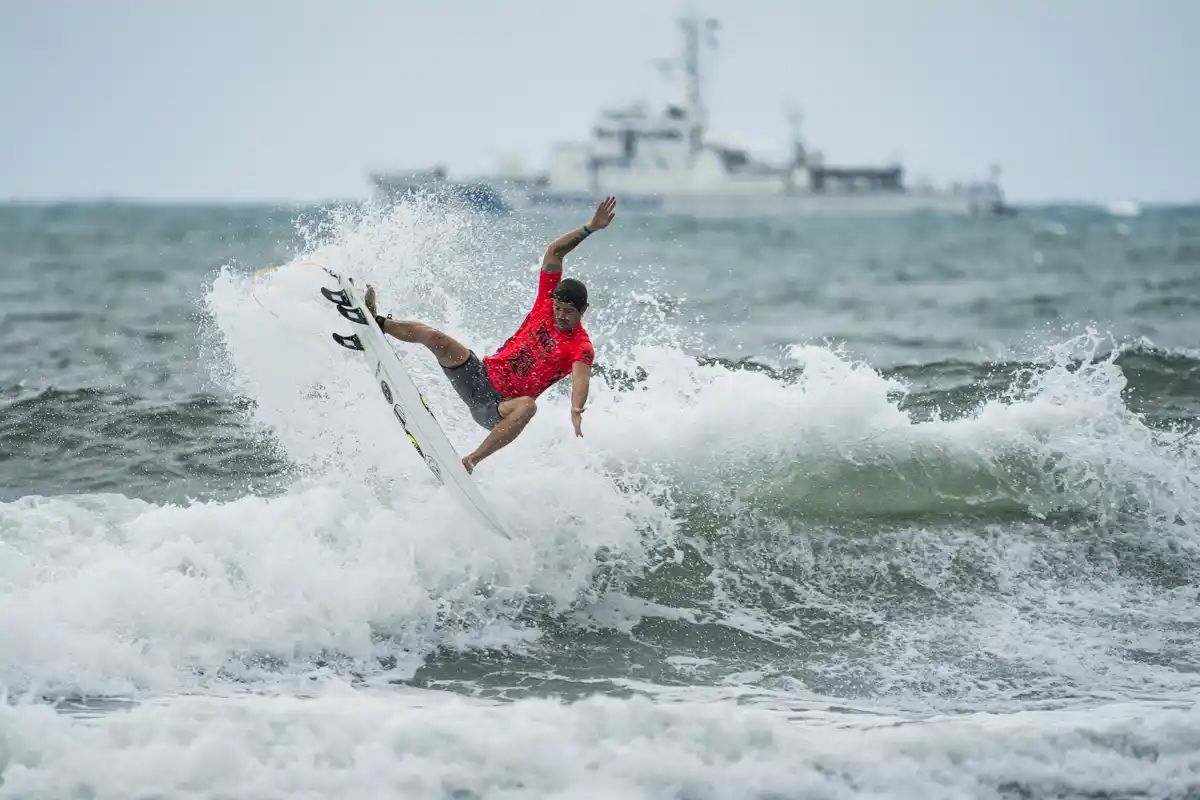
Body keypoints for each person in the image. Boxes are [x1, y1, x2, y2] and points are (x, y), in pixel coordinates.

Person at [364, 196, 617, 474]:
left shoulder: (580, 346)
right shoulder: (546, 303)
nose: (561, 315)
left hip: (498, 408)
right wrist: (591, 227)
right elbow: (554, 252)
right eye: (558, 308)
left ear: (584, 310)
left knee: (528, 407)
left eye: (569, 311)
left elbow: (581, 378)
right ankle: (376, 323)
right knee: (437, 338)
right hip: (478, 375)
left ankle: (471, 460)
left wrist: (576, 409)